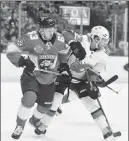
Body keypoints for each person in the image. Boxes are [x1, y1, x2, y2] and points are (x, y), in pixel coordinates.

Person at [33, 26, 117, 141]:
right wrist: (73, 43)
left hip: (80, 81)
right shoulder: (83, 40)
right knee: (55, 101)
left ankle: (106, 131)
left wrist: (92, 85)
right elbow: (65, 32)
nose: (106, 43)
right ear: (96, 38)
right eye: (104, 40)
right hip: (64, 74)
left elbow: (93, 72)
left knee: (91, 103)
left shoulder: (103, 57)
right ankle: (43, 125)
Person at [6, 17, 71, 140]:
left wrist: (63, 65)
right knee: (29, 99)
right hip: (32, 76)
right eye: (48, 30)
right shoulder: (30, 38)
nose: (51, 32)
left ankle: (34, 120)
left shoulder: (60, 39)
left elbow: (64, 50)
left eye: (53, 29)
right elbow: (11, 49)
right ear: (41, 30)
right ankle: (19, 126)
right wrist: (22, 61)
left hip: (49, 79)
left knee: (45, 106)